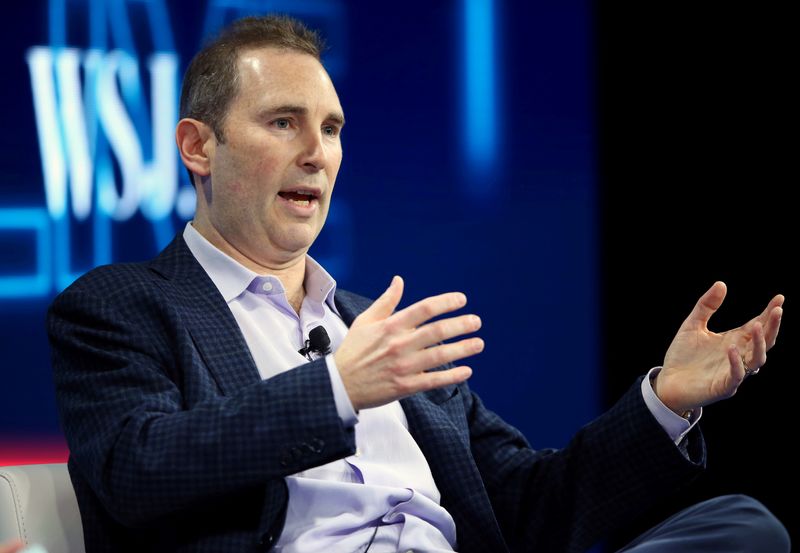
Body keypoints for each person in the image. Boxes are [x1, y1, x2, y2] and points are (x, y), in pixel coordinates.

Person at [47, 15, 790, 553]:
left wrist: (664, 402)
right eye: (283, 122)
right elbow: (134, 469)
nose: (317, 153)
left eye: (332, 128)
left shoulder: (379, 329)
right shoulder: (123, 306)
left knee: (740, 525)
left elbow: (535, 507)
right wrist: (337, 388)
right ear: (197, 146)